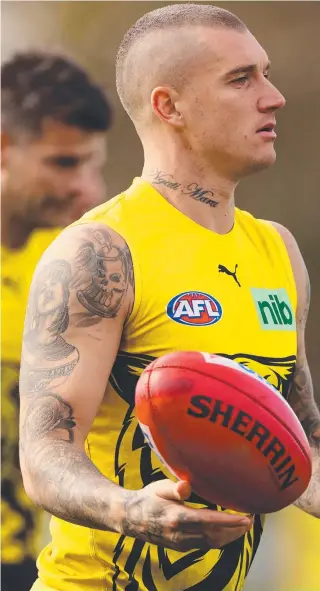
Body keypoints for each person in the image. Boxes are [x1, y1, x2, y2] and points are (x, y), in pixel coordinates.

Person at [18, 5, 320, 591]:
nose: (274, 97)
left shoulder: (277, 251)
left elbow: (301, 440)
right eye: (241, 79)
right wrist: (132, 510)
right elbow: (46, 456)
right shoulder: (100, 254)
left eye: (266, 73)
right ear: (168, 106)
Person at [1, 51, 112, 591]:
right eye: (64, 164)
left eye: (95, 166)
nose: (87, 190)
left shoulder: (79, 267)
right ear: (3, 147)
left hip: (47, 569)